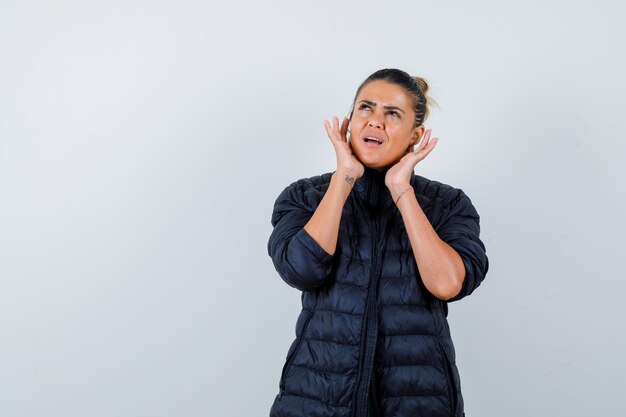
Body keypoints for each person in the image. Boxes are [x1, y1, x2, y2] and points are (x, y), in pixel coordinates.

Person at [267, 68, 489, 417]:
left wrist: (402, 191)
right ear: (349, 121)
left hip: (419, 401)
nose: (375, 121)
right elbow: (302, 270)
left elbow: (447, 284)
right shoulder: (305, 197)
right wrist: (344, 179)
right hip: (315, 400)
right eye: (365, 108)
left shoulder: (448, 205)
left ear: (416, 135)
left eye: (392, 114)